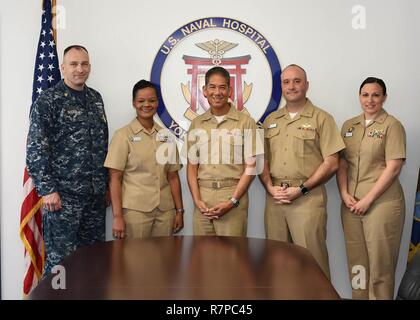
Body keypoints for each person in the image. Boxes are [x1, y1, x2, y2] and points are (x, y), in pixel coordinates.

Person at [26, 45, 109, 276]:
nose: (79, 69)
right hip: (63, 200)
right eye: (74, 64)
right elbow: (35, 148)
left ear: (90, 67)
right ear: (63, 68)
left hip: (94, 198)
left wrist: (105, 185)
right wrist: (48, 189)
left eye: (84, 64)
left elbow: (102, 145)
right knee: (61, 266)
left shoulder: (95, 99)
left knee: (93, 262)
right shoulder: (48, 100)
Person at [259, 64, 345, 278]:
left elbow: (332, 162)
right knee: (277, 264)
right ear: (281, 86)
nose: (292, 86)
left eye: (297, 81)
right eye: (286, 82)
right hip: (276, 199)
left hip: (307, 198)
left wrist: (302, 189)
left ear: (307, 85)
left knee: (312, 264)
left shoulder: (322, 119)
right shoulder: (271, 121)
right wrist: (269, 187)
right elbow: (262, 160)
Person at [337, 77, 406, 300]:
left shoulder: (392, 125)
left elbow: (394, 167)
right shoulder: (349, 126)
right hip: (351, 204)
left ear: (384, 97)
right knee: (357, 263)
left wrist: (368, 199)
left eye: (376, 95)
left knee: (380, 265)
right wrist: (344, 193)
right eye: (365, 95)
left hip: (381, 203)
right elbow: (343, 163)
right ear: (359, 97)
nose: (370, 100)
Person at [185, 66, 262, 236]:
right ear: (204, 90)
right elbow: (192, 167)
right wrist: (197, 200)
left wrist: (232, 201)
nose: (217, 92)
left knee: (232, 259)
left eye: (222, 87)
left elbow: (251, 167)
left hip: (233, 198)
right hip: (202, 201)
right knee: (202, 258)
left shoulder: (246, 123)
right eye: (212, 87)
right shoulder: (196, 124)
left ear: (230, 90)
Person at [104, 80, 184, 239]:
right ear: (134, 103)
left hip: (165, 212)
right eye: (141, 101)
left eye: (151, 100)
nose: (146, 105)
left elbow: (173, 177)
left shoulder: (166, 136)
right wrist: (118, 216)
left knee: (163, 261)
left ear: (157, 103)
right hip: (135, 213)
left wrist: (179, 211)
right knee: (136, 261)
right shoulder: (123, 136)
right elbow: (115, 179)